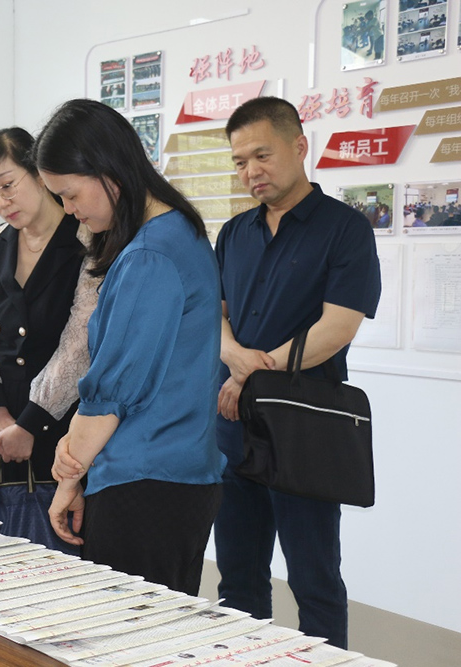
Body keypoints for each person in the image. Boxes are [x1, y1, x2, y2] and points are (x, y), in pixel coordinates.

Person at [215, 96, 381, 649]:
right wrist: (233, 356)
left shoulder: (345, 229)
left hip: (305, 427)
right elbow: (213, 314)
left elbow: (337, 327)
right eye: (240, 161)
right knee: (238, 579)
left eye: (262, 155)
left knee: (315, 581)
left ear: (299, 146)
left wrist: (250, 374)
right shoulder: (234, 232)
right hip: (233, 428)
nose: (251, 171)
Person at [41, 99, 225, 597]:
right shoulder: (178, 233)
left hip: (145, 479)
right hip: (176, 474)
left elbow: (112, 393)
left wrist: (68, 475)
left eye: (70, 194)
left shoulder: (149, 255)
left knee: (124, 629)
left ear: (108, 173)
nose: (69, 209)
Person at [0, 128, 99, 546]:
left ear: (39, 173)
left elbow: (80, 343)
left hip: (55, 419)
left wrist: (30, 424)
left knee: (50, 550)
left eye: (8, 185)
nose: (1, 201)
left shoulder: (86, 239)